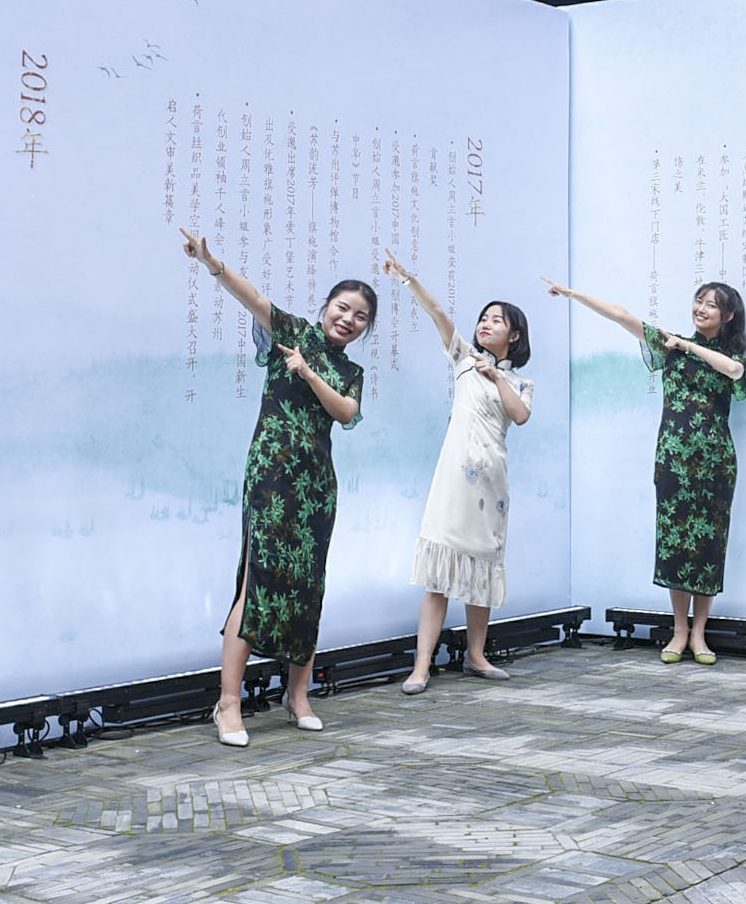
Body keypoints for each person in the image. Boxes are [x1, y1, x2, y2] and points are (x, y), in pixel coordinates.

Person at [181, 229, 370, 743]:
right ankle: (228, 704)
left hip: (316, 486)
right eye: (343, 307)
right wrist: (213, 264)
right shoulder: (294, 332)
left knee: (308, 585)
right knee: (257, 581)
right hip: (270, 474)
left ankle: (298, 695)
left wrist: (308, 373)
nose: (348, 319)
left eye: (360, 317)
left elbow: (346, 413)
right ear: (326, 306)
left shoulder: (350, 370)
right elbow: (253, 298)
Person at [546, 277, 746, 663]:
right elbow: (623, 316)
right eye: (699, 301)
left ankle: (700, 635)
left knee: (708, 547)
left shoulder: (726, 355)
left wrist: (688, 346)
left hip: (715, 465)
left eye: (711, 304)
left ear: (728, 316)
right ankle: (679, 631)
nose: (701, 308)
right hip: (672, 460)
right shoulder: (669, 345)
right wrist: (574, 293)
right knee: (674, 544)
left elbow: (734, 372)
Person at [385, 250, 533, 694]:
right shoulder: (464, 358)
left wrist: (497, 376)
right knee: (439, 573)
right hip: (454, 480)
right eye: (483, 318)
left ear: (515, 334)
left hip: (493, 483)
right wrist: (409, 279)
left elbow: (520, 416)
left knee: (482, 569)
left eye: (496, 320)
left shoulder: (519, 382)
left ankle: (476, 655)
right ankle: (421, 666)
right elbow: (438, 313)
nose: (485, 324)